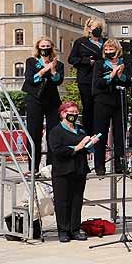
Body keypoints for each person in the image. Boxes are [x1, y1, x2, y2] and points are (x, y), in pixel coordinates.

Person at [47, 101, 93, 242]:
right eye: (70, 112)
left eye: (75, 112)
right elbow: (58, 150)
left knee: (77, 200)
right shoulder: (56, 131)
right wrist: (77, 147)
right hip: (62, 171)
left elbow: (86, 148)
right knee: (62, 201)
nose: (73, 115)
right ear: (62, 114)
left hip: (79, 169)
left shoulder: (81, 130)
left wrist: (90, 144)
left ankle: (75, 229)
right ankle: (63, 230)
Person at [22, 37, 64, 174]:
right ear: (38, 48)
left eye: (47, 46)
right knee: (34, 133)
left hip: (52, 101)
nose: (45, 49)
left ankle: (51, 166)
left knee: (53, 133)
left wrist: (52, 70)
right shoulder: (31, 62)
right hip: (35, 99)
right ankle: (33, 167)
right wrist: (43, 70)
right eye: (42, 46)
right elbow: (30, 79)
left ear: (51, 48)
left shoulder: (59, 64)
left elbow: (58, 81)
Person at [91, 39, 130, 176]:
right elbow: (97, 83)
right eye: (106, 50)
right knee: (101, 133)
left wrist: (120, 75)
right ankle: (99, 165)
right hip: (102, 101)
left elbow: (129, 82)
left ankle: (120, 164)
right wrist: (111, 76)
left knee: (120, 133)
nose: (108, 52)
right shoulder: (99, 64)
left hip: (119, 101)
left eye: (111, 49)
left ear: (117, 50)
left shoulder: (124, 63)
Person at [67, 18, 104, 134]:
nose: (97, 30)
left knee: (101, 108)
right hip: (86, 79)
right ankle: (88, 134)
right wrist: (86, 61)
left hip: (102, 79)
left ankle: (100, 134)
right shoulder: (80, 42)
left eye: (99, 28)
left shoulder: (106, 42)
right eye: (94, 27)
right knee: (88, 107)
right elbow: (71, 59)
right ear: (88, 29)